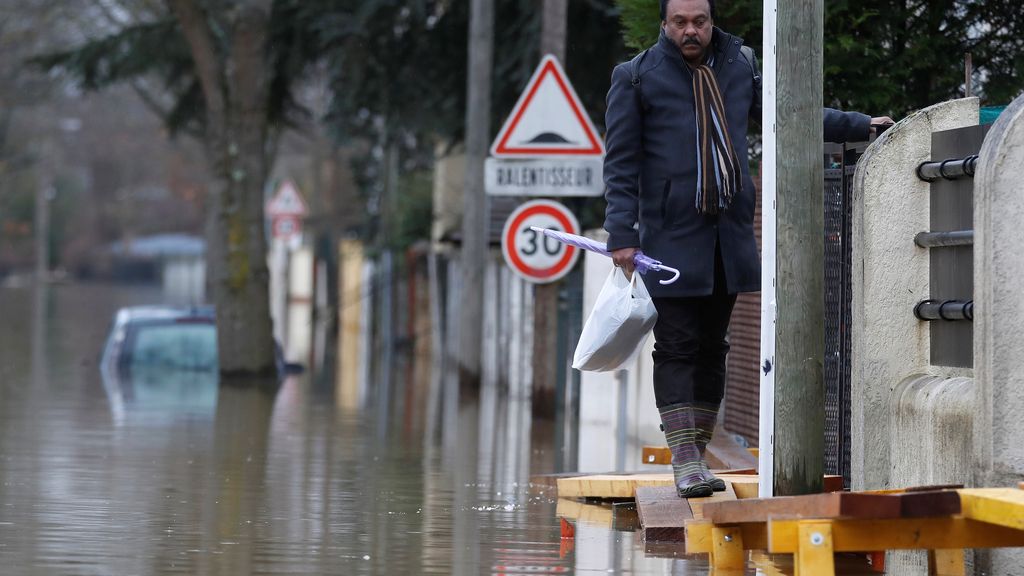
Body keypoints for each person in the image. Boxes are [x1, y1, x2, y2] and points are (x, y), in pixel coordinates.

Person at [602, 0, 893, 498]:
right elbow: (621, 162)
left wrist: (858, 124)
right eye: (680, 23)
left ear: (711, 22)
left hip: (728, 235)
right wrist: (621, 235)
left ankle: (696, 447)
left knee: (714, 346)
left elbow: (789, 114)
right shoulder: (636, 77)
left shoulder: (739, 65)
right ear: (664, 25)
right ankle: (686, 458)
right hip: (669, 237)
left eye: (699, 21)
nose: (690, 31)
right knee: (677, 346)